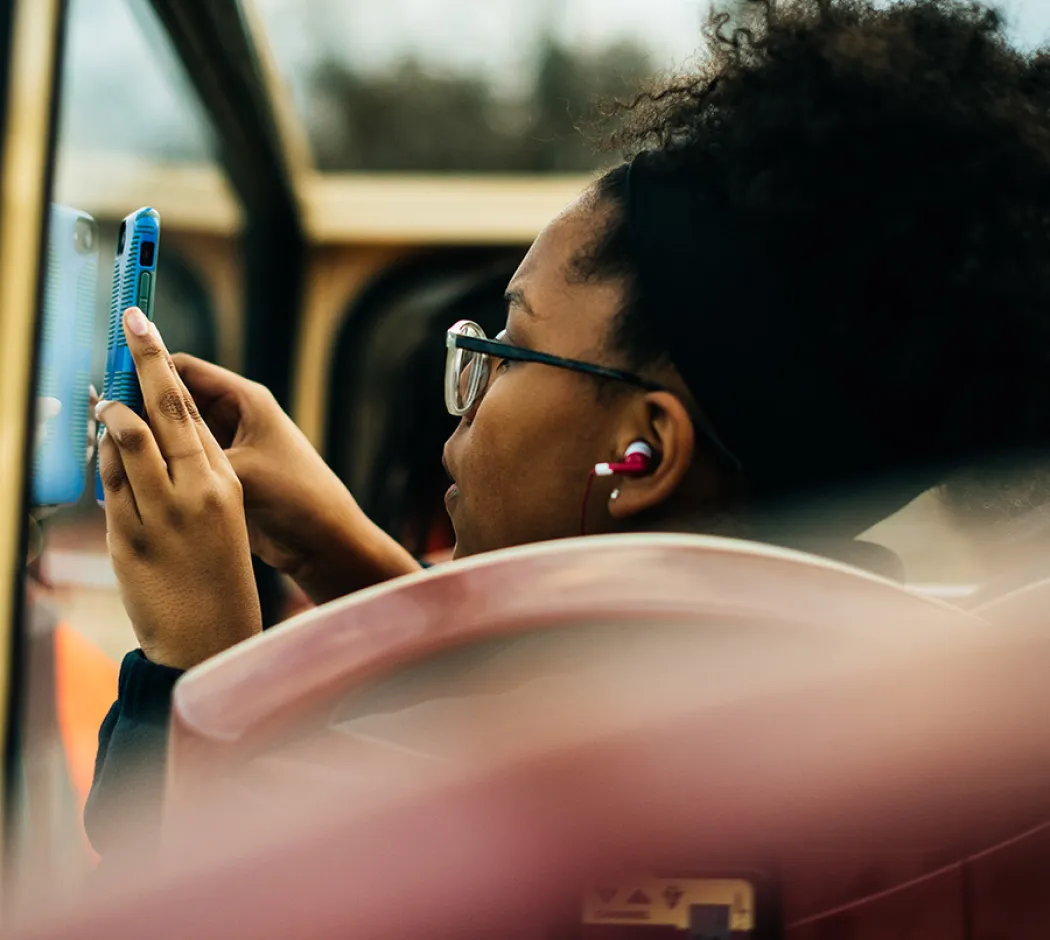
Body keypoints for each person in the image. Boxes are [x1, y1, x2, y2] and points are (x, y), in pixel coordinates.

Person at [86, 0, 1050, 854]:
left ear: (645, 453)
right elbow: (529, 683)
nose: (468, 389)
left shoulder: (566, 811)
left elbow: (183, 900)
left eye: (510, 348)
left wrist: (193, 661)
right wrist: (337, 550)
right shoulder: (856, 712)